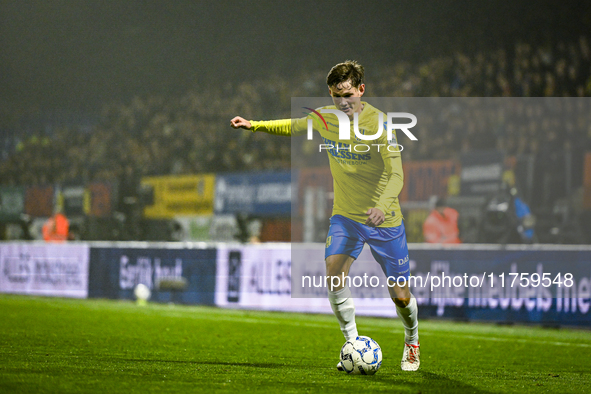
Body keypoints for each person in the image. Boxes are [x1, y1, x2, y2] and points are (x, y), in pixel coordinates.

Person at [230, 60, 420, 371]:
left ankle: (412, 339)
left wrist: (383, 206)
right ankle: (352, 343)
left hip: (384, 219)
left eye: (348, 94)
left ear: (361, 90)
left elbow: (396, 174)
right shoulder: (325, 118)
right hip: (345, 215)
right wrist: (255, 124)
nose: (343, 102)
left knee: (400, 295)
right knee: (333, 273)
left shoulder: (382, 124)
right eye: (335, 96)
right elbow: (292, 125)